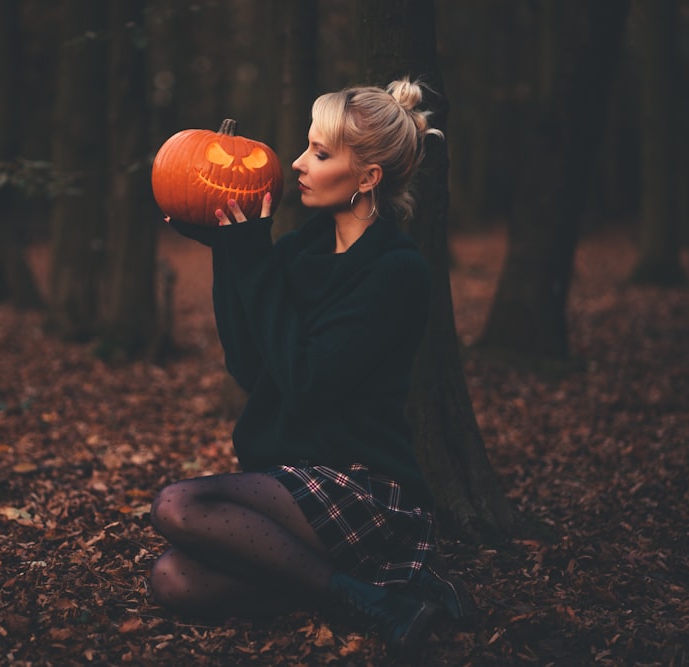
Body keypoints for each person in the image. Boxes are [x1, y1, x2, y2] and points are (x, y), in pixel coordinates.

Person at [151, 78, 474, 656]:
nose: (297, 164)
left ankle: (370, 600)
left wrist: (252, 259)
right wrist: (229, 254)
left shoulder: (396, 272)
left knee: (180, 503)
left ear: (368, 177)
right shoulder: (304, 248)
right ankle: (374, 592)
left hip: (363, 485)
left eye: (320, 154)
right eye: (305, 147)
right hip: (297, 479)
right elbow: (251, 366)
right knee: (172, 578)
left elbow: (303, 384)